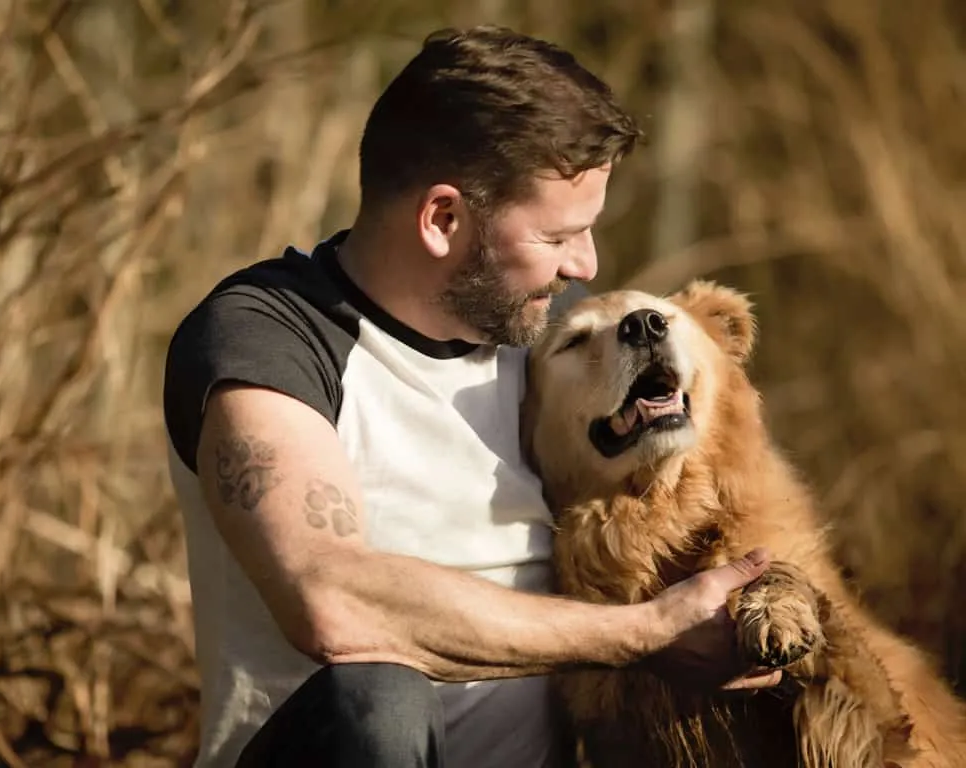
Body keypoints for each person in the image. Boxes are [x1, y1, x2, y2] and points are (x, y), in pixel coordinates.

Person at [162, 24, 781, 768]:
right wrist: (644, 634)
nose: (585, 262)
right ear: (443, 219)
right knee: (379, 695)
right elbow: (331, 599)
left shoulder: (555, 341)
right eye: (558, 238)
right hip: (336, 752)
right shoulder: (268, 338)